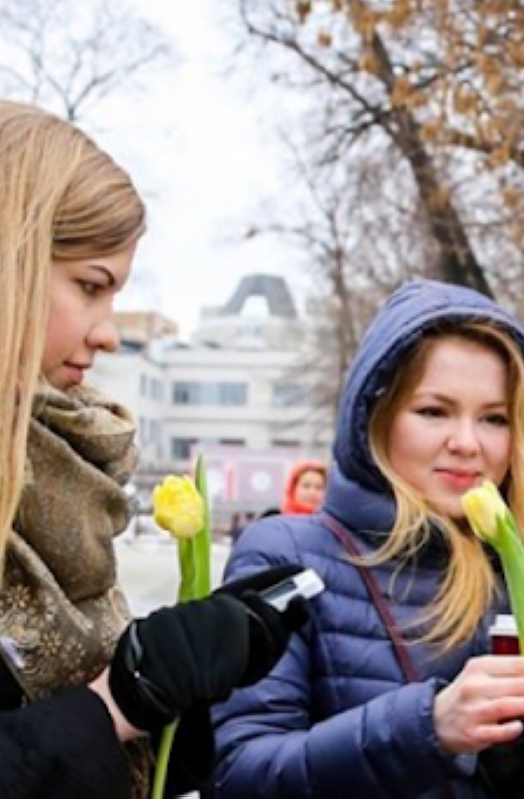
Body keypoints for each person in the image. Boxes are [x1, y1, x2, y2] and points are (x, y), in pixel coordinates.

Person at [210, 279, 524, 797]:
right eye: (434, 411)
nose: (466, 443)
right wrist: (428, 726)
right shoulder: (286, 555)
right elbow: (237, 775)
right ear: (374, 417)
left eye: (494, 419)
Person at [0, 99, 308, 798]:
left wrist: (185, 677)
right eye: (90, 286)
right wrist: (116, 705)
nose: (110, 333)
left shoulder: (61, 477)